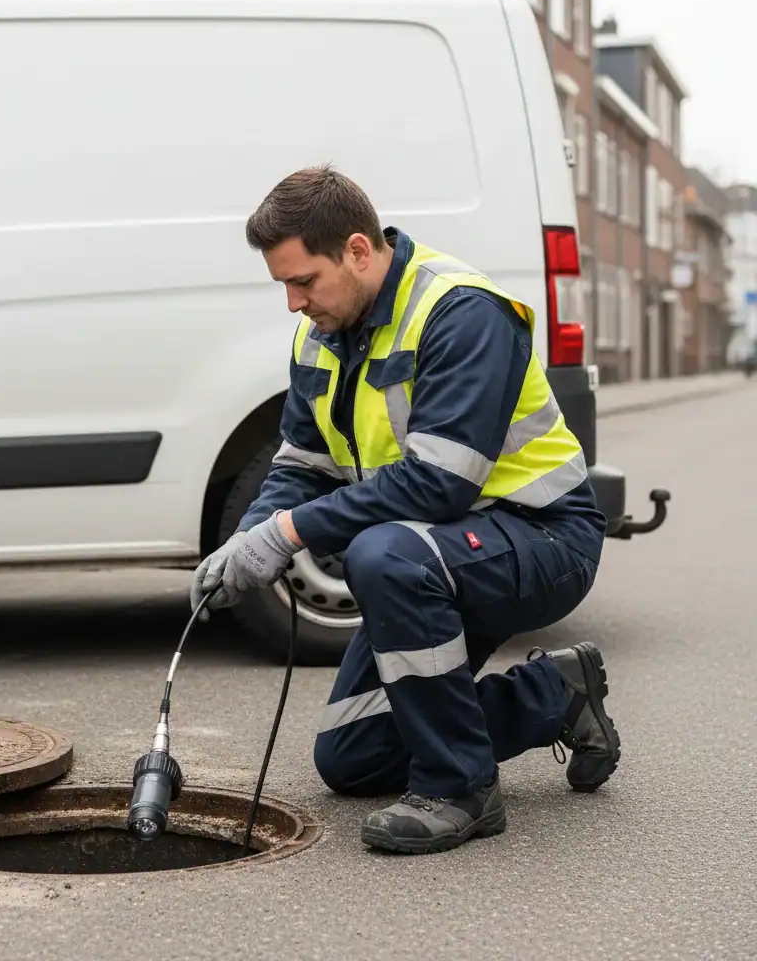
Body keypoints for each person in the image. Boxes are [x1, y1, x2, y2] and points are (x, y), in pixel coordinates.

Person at [191, 165, 620, 856]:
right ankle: (556, 693)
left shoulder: (463, 312)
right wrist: (244, 544)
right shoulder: (319, 336)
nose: (294, 304)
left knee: (380, 553)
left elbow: (439, 484)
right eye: (285, 286)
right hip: (442, 552)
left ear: (358, 250)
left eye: (305, 282)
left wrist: (287, 532)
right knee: (352, 757)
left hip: (541, 539)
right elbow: (302, 464)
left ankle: (461, 790)